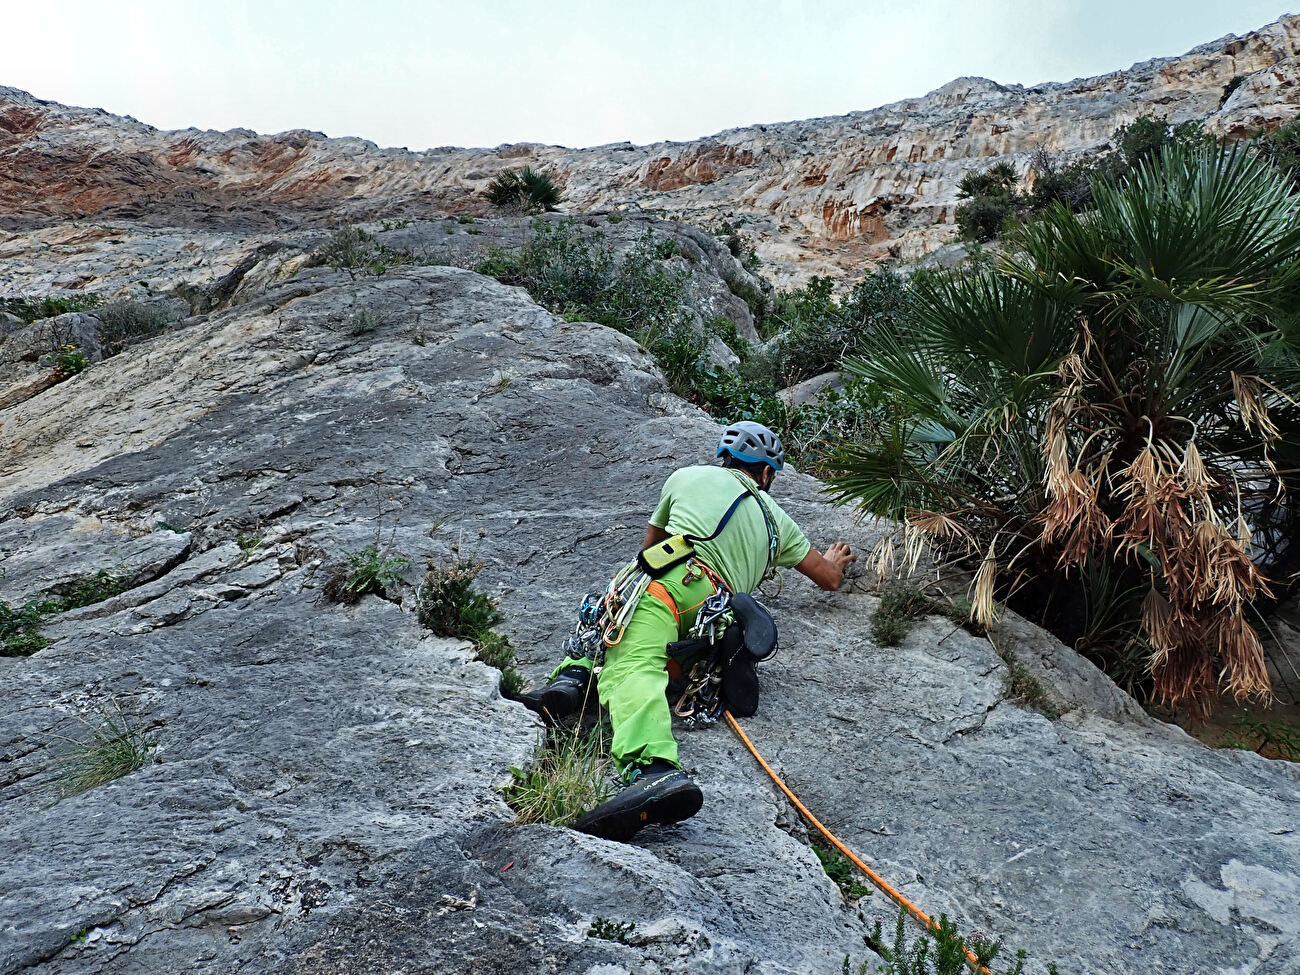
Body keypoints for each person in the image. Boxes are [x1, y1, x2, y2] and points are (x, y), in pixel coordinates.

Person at [521, 421, 856, 841]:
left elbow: (649, 549)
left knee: (625, 646)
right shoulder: (779, 521)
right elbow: (828, 578)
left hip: (662, 584)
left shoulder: (686, 477)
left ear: (725, 458)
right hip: (711, 619)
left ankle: (649, 762)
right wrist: (834, 559)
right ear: (767, 473)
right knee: (652, 655)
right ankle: (578, 685)